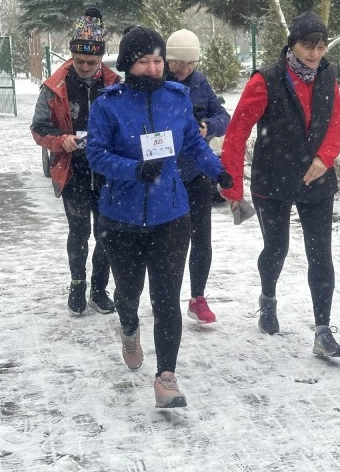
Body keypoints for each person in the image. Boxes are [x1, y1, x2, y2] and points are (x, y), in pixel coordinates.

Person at [86, 26, 233, 409]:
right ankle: (129, 327)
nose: (153, 69)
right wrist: (134, 169)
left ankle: (166, 377)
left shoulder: (177, 98)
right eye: (143, 61)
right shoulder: (107, 105)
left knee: (166, 297)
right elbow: (96, 155)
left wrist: (218, 171)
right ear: (128, 64)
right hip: (122, 219)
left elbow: (194, 142)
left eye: (157, 61)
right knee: (129, 293)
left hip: (171, 215)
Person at [220, 11, 340, 358]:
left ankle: (323, 330)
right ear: (292, 43)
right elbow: (237, 132)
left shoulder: (326, 75)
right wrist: (232, 186)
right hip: (272, 179)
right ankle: (268, 298)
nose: (315, 53)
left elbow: (336, 118)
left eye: (321, 46)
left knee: (321, 253)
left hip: (316, 179)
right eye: (308, 45)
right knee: (277, 248)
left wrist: (325, 157)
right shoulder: (266, 80)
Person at [31, 7, 120, 315]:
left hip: (107, 172)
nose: (85, 67)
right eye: (79, 61)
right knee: (79, 231)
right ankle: (77, 284)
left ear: (101, 58)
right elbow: (38, 128)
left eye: (91, 62)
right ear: (71, 55)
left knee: (107, 232)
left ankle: (99, 287)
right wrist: (61, 141)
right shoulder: (54, 86)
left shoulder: (114, 85)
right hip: (73, 170)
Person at [165, 29, 231, 324]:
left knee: (201, 239)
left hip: (196, 173)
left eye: (190, 64)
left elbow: (223, 118)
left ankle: (198, 297)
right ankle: (164, 295)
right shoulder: (157, 83)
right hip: (164, 177)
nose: (184, 70)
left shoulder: (200, 83)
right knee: (168, 241)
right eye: (178, 63)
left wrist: (209, 127)